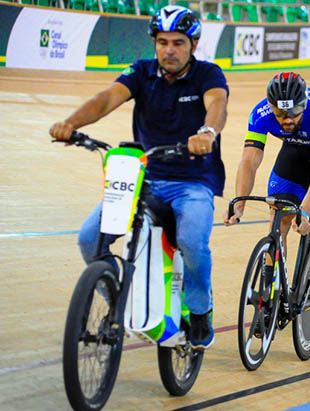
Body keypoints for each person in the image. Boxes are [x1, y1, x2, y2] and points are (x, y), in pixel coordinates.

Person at [49, 5, 229, 350]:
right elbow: (106, 100)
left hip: (192, 180)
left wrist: (207, 132)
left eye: (178, 42)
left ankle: (200, 310)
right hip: (143, 177)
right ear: (155, 43)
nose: (169, 50)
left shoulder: (208, 74)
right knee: (89, 239)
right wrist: (71, 124)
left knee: (192, 241)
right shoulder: (141, 72)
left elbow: (217, 105)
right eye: (162, 42)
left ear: (193, 44)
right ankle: (116, 292)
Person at [224, 72, 310, 286]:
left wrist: (305, 211)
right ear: (271, 106)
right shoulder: (260, 113)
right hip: (295, 147)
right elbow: (249, 161)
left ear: (303, 104)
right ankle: (269, 289)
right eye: (280, 113)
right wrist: (240, 202)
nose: (288, 119)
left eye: (293, 112)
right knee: (279, 214)